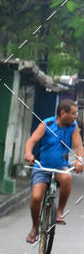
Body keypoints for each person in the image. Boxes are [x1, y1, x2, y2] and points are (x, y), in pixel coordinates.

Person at [24, 98, 84, 243]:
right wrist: (28, 153)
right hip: (42, 167)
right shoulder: (47, 124)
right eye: (74, 113)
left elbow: (78, 146)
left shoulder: (73, 126)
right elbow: (31, 141)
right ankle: (34, 227)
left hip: (60, 167)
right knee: (36, 198)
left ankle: (59, 212)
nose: (76, 116)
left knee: (67, 178)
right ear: (63, 113)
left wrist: (79, 159)